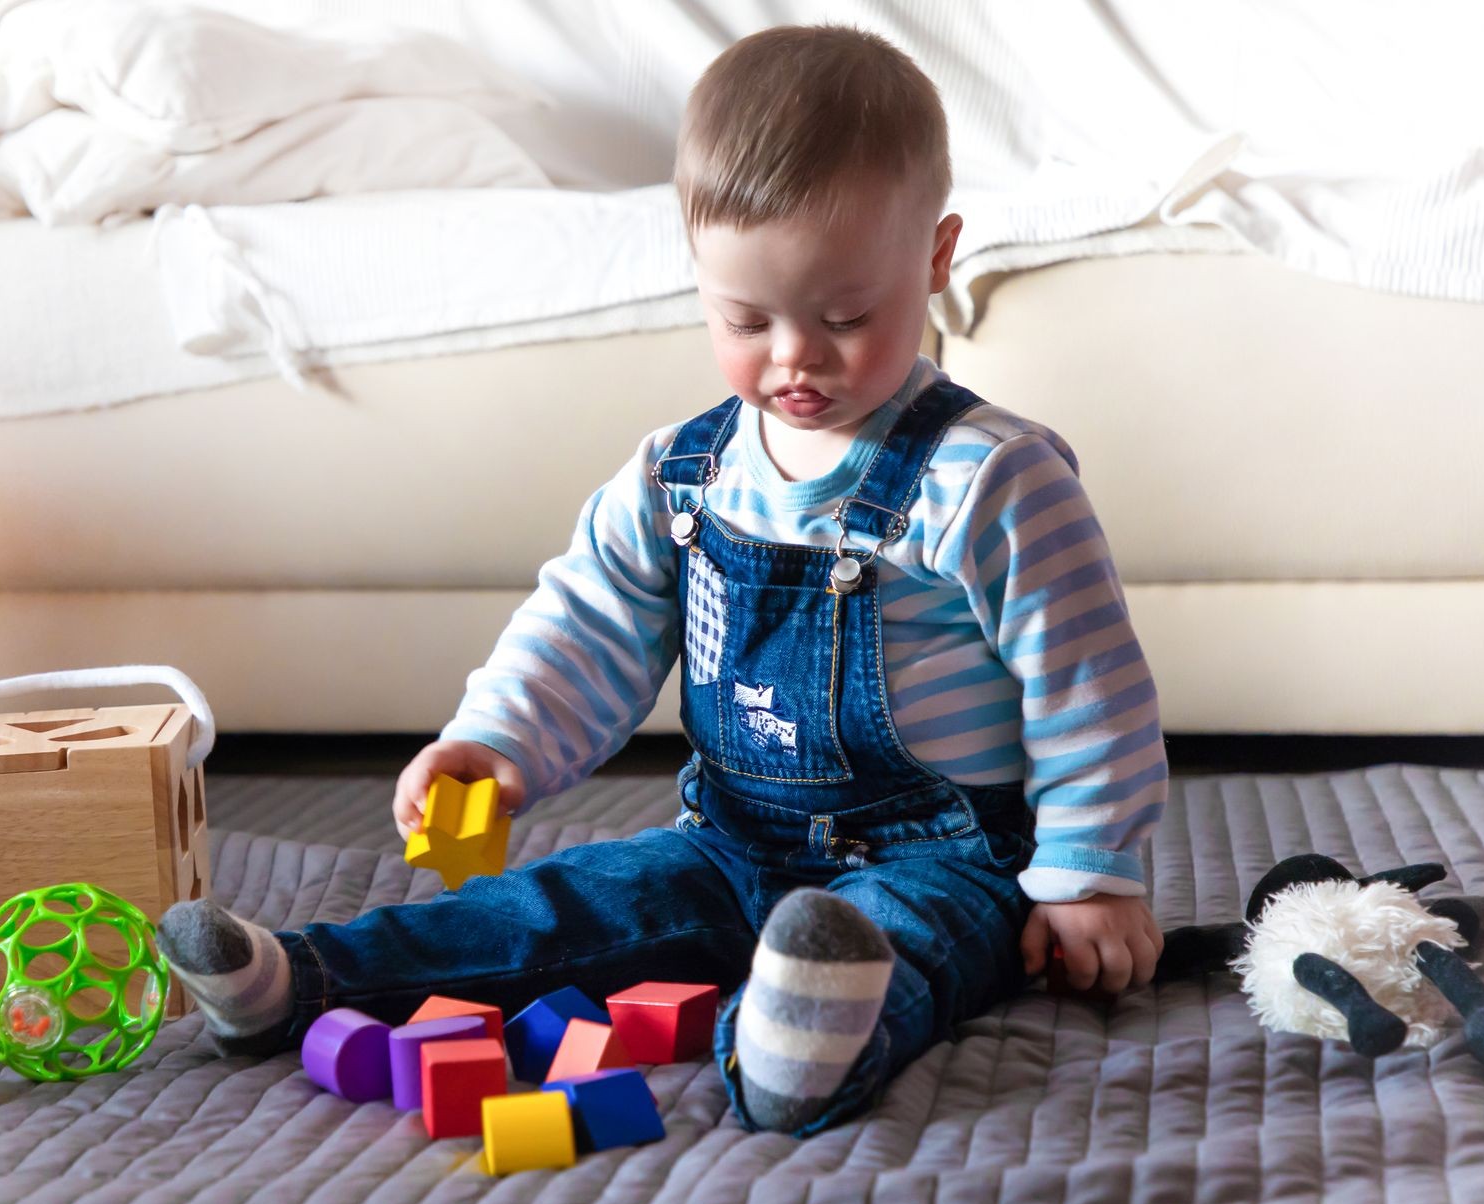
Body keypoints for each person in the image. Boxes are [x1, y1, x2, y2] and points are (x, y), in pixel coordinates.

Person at [158, 24, 1167, 1136]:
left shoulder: (991, 476)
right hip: (731, 845)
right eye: (744, 319)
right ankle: (298, 977)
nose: (795, 357)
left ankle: (799, 1041)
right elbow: (587, 625)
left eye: (845, 318)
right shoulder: (683, 474)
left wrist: (1089, 875)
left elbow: (1087, 685)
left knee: (907, 941)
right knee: (564, 904)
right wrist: (493, 742)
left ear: (935, 256)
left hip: (941, 859)